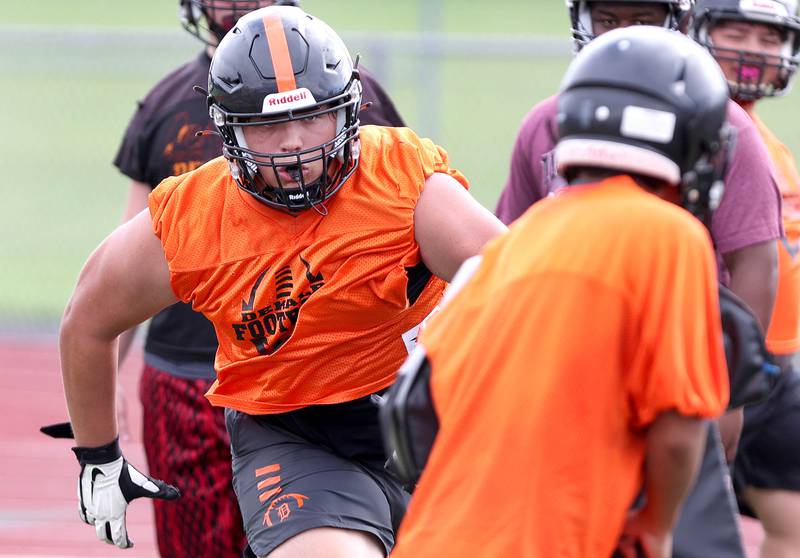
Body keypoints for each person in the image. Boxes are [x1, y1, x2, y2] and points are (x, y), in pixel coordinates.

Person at [59, 5, 506, 556]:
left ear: (349, 110)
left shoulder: (401, 177)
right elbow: (87, 320)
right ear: (229, 131)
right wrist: (98, 455)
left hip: (432, 418)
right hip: (295, 436)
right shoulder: (193, 217)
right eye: (269, 125)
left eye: (313, 117)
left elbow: (516, 280)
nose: (294, 142)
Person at [389, 26, 731, 558]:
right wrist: (657, 525)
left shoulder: (516, 239)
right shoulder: (669, 234)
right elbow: (680, 426)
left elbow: (418, 410)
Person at [112, 1, 407, 556]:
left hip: (312, 372)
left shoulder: (339, 86)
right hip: (187, 374)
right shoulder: (164, 106)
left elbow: (405, 210)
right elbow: (121, 274)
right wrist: (105, 383)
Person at [494, 2, 782, 556]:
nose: (625, 34)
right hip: (565, 373)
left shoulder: (722, 126)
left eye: (644, 17)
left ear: (677, 21)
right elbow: (511, 252)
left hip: (675, 366)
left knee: (678, 532)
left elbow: (754, 259)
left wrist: (730, 391)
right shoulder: (547, 122)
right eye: (609, 19)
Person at [688, 1, 800, 556]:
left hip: (776, 363)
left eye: (769, 38)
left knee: (791, 520)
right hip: (722, 357)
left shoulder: (764, 138)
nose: (753, 50)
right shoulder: (702, 140)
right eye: (736, 31)